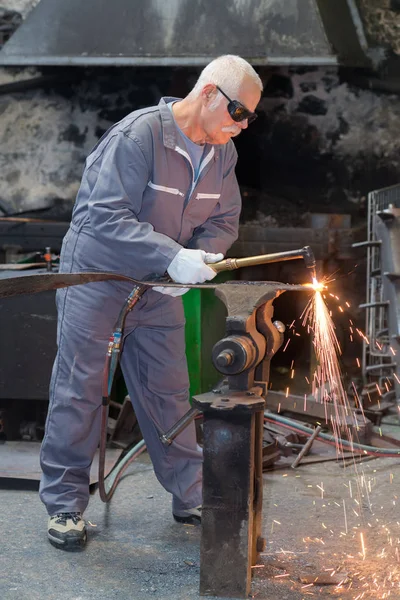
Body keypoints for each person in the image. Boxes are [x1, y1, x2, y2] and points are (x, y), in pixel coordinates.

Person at [40, 55, 263, 550]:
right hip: (99, 276)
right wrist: (171, 255)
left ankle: (191, 494)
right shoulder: (139, 136)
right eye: (237, 112)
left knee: (169, 389)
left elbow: (223, 220)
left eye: (250, 117)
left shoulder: (221, 153)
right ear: (208, 93)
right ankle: (64, 505)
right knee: (81, 387)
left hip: (159, 284)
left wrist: (197, 258)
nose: (241, 126)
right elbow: (103, 216)